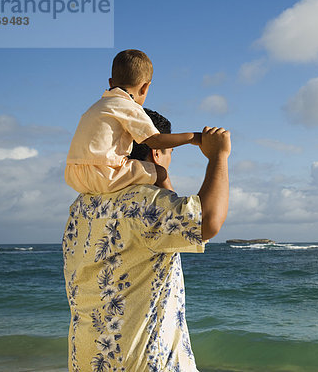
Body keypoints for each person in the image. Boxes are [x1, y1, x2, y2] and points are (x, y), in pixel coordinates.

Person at [62, 108, 230, 371]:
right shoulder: (143, 204)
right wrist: (218, 157)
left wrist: (159, 175)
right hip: (143, 361)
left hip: (88, 359)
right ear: (156, 151)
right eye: (170, 151)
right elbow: (206, 221)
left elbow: (172, 232)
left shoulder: (82, 205)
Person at [65, 49, 201, 194]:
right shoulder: (129, 106)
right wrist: (194, 138)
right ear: (145, 87)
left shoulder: (95, 108)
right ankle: (175, 211)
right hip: (105, 174)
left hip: (74, 176)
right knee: (160, 172)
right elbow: (155, 140)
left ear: (111, 83)